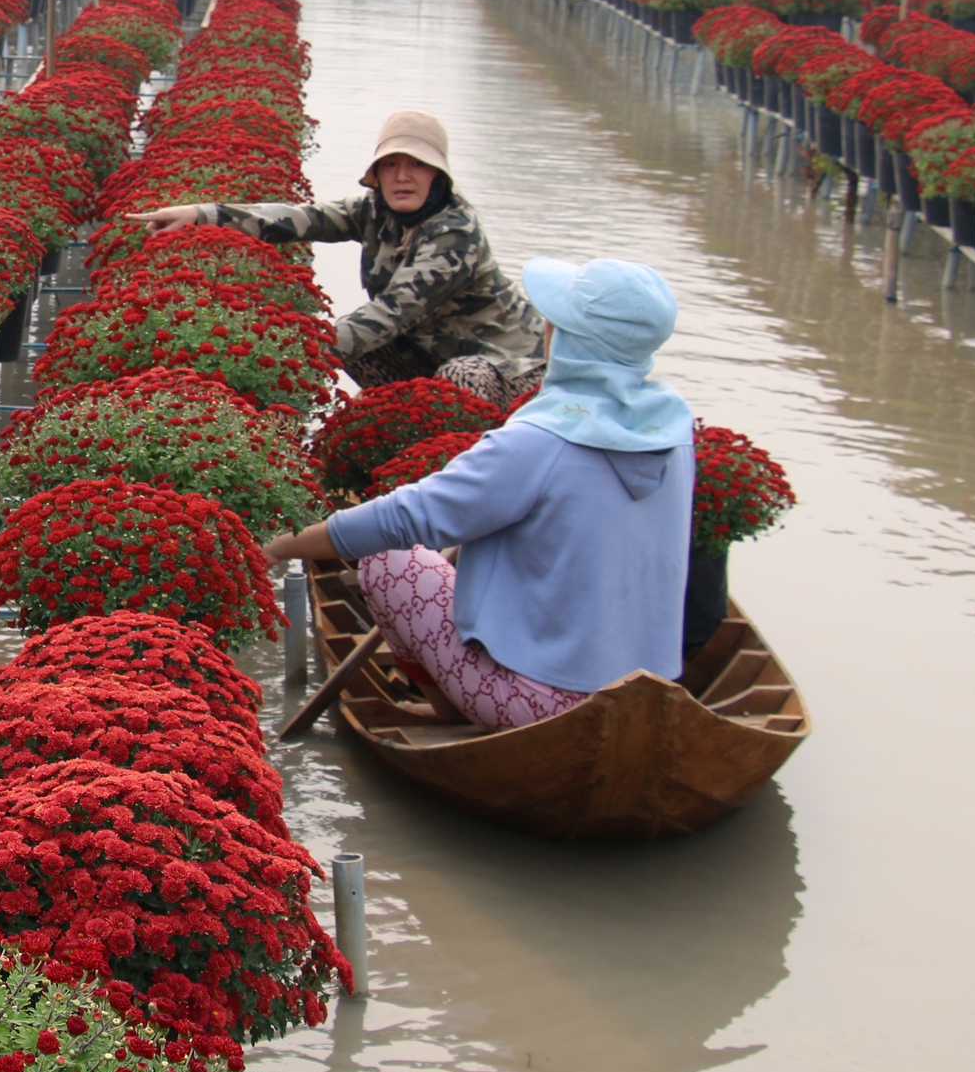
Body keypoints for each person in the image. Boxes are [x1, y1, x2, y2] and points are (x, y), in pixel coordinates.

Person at [264, 257, 695, 730]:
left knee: (391, 563)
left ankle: (453, 711)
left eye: (555, 322)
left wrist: (283, 546)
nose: (545, 327)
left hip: (538, 706)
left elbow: (403, 520)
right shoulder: (673, 430)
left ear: (568, 341)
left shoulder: (537, 440)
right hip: (648, 696)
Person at [128, 109, 544, 404]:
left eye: (417, 164)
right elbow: (297, 219)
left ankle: (464, 480)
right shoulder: (374, 211)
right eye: (391, 164)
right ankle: (401, 439)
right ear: (377, 173)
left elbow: (392, 313)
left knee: (453, 374)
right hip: (433, 357)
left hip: (509, 369)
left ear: (438, 175)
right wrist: (202, 215)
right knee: (366, 349)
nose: (402, 176)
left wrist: (295, 353)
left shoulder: (455, 233)